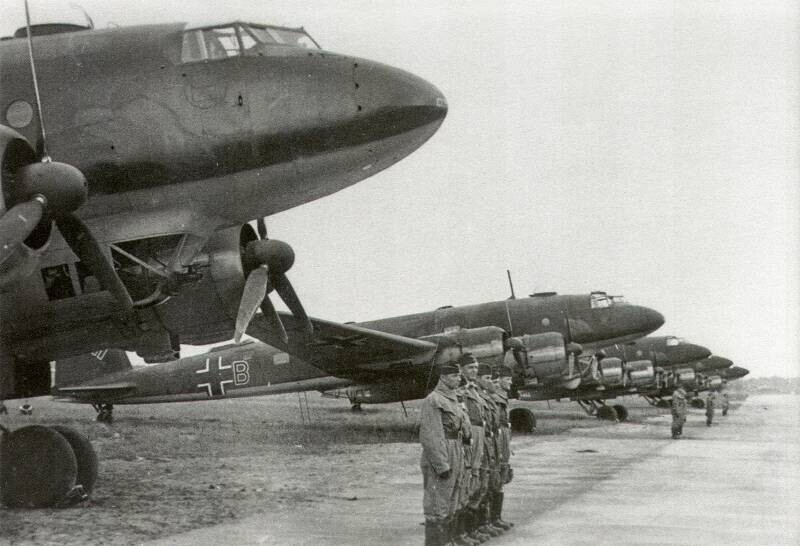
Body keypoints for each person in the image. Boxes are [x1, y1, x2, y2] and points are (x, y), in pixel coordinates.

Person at [420, 363, 471, 546]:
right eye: (455, 376)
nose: (459, 379)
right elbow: (431, 436)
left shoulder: (453, 399)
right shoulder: (434, 400)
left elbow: (464, 429)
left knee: (453, 501)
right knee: (438, 505)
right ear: (444, 377)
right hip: (443, 453)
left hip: (456, 450)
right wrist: (441, 465)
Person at [455, 354, 488, 546]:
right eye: (470, 368)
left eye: (476, 368)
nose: (474, 371)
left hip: (478, 436)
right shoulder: (459, 390)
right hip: (467, 440)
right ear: (460, 369)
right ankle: (459, 534)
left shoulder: (474, 389)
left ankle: (469, 530)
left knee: (475, 481)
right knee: (464, 485)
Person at [474, 362, 505, 538]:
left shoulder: (489, 397)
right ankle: (475, 527)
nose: (494, 382)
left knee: (489, 483)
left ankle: (487, 522)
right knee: (479, 486)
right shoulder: (477, 397)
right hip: (481, 443)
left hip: (490, 443)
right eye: (488, 378)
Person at [491, 366, 514, 531]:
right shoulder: (495, 397)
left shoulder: (502, 397)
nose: (511, 382)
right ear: (499, 380)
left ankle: (496, 518)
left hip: (504, 439)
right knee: (495, 477)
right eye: (508, 379)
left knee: (502, 476)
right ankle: (490, 520)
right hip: (497, 440)